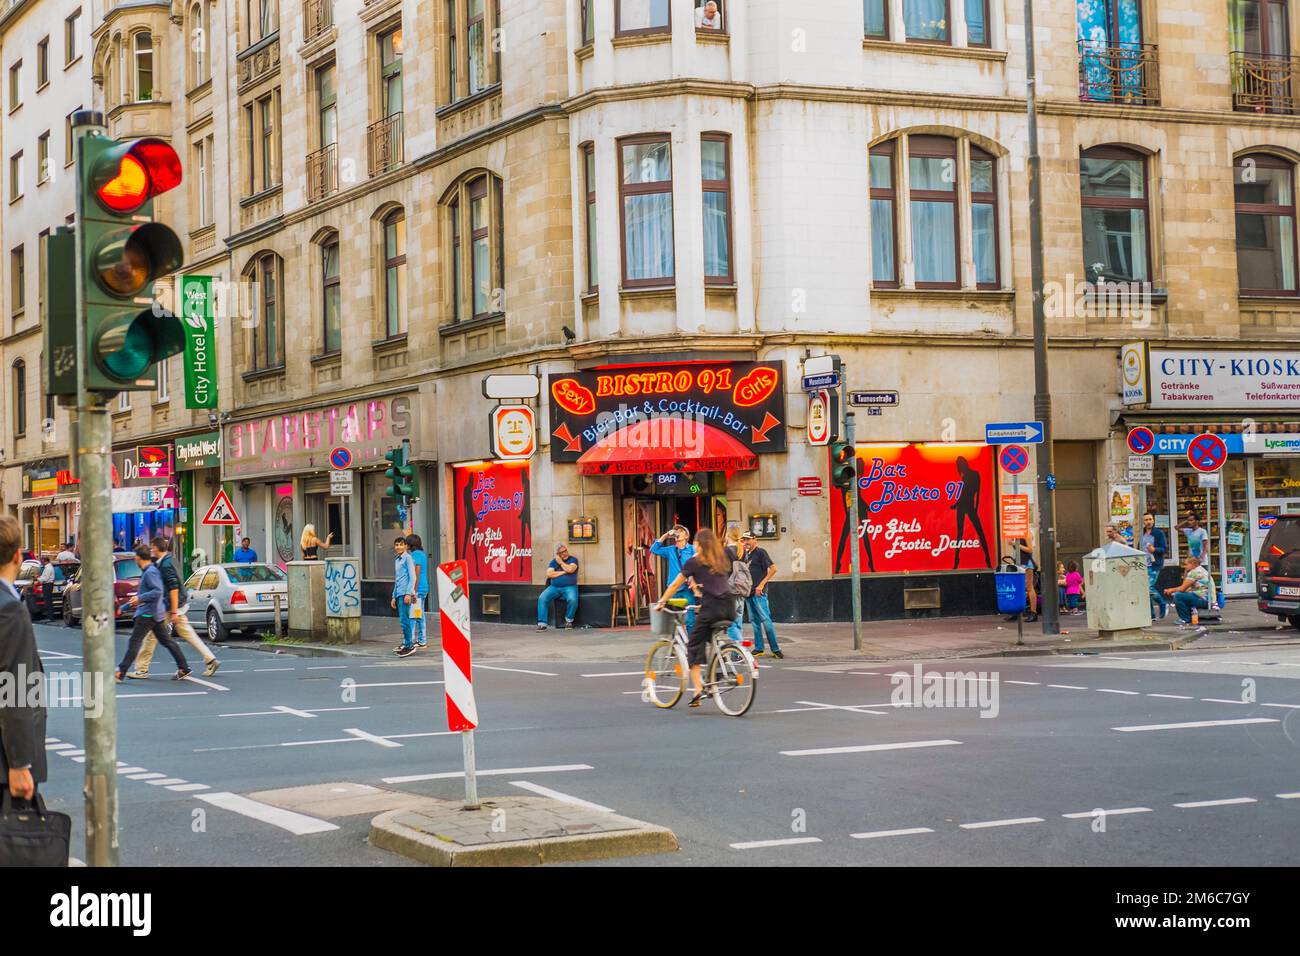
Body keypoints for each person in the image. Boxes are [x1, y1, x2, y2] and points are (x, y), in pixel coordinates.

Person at [655, 528, 734, 707]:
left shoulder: (694, 561)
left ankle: (698, 689)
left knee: (693, 644)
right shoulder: (720, 559)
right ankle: (715, 671)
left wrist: (662, 601)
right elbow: (716, 583)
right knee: (710, 638)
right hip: (729, 606)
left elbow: (675, 584)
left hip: (712, 607)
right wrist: (699, 591)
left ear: (698, 544)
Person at [0, 514, 46, 811]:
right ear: (18, 555)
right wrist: (19, 763)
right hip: (4, 765)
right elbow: (13, 686)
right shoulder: (10, 609)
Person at [129, 537, 220, 679]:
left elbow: (173, 588)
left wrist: (173, 611)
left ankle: (141, 669)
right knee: (187, 633)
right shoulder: (170, 560)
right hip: (176, 603)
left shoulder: (165, 565)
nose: (151, 551)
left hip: (170, 605)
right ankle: (210, 659)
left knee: (150, 636)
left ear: (157, 548)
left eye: (152, 548)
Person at [116, 546, 190, 682]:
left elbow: (157, 591)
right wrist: (125, 606)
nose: (135, 561)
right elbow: (145, 593)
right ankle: (184, 667)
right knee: (167, 641)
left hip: (147, 614)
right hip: (155, 613)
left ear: (138, 558)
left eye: (135, 559)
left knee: (135, 641)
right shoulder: (149, 571)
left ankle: (121, 671)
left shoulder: (150, 572)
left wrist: (140, 598)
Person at [741, 531, 783, 658]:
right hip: (748, 593)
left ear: (755, 539)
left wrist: (761, 585)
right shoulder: (745, 555)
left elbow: (774, 568)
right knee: (754, 621)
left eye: (748, 539)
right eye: (744, 540)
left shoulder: (760, 552)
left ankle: (775, 649)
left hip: (759, 593)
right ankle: (759, 648)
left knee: (766, 620)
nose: (746, 542)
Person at [650, 526, 697, 627]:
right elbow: (653, 549)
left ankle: (691, 642)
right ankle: (676, 641)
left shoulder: (692, 549)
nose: (677, 533)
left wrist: (693, 579)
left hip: (686, 589)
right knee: (674, 621)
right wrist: (666, 535)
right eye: (676, 531)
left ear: (686, 536)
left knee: (690, 619)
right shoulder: (671, 550)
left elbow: (699, 565)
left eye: (680, 531)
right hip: (673, 590)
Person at [951, 456, 992, 569]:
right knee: (978, 532)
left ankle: (957, 561)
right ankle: (987, 558)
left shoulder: (969, 476)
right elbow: (976, 493)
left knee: (961, 533)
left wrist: (956, 504)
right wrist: (976, 507)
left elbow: (965, 494)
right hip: (968, 506)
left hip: (965, 505)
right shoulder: (974, 475)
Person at [538, 544, 580, 631]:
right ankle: (542, 624)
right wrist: (564, 572)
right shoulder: (553, 562)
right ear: (558, 554)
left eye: (565, 551)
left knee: (573, 600)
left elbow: (570, 569)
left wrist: (561, 563)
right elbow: (549, 574)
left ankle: (569, 621)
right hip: (554, 587)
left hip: (570, 587)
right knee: (542, 598)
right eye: (561, 552)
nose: (564, 553)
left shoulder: (573, 559)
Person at [1163, 555, 1213, 627]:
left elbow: (1182, 588)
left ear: (1193, 563)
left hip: (1204, 600)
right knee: (1182, 595)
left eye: (1186, 564)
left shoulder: (1194, 572)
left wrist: (1170, 590)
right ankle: (1190, 617)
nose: (1184, 566)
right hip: (1208, 599)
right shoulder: (1201, 570)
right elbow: (1186, 588)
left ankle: (1186, 619)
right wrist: (1186, 572)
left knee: (1178, 596)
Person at [391, 536, 418, 657]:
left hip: (405, 594)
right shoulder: (397, 559)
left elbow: (412, 577)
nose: (398, 547)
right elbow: (397, 580)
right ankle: (407, 644)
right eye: (396, 545)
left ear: (406, 546)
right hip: (399, 594)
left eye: (401, 544)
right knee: (403, 621)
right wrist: (393, 596)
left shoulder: (408, 558)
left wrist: (408, 593)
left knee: (405, 621)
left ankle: (409, 646)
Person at [1139, 511, 1168, 620]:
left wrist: (1154, 549)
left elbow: (1164, 549)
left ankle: (1162, 603)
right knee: (1145, 590)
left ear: (1153, 520)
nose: (1148, 522)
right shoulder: (1142, 533)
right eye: (1146, 520)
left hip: (1154, 564)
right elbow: (1139, 548)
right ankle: (1151, 615)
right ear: (1143, 522)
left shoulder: (1158, 533)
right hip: (1143, 564)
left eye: (1150, 519)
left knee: (1148, 587)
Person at [406, 534, 430, 648]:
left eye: (407, 543)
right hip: (423, 588)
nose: (406, 545)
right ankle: (421, 640)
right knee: (419, 614)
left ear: (411, 544)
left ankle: (410, 641)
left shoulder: (415, 555)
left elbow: (417, 573)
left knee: (413, 616)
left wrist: (413, 591)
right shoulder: (422, 554)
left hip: (418, 590)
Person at [36, 556, 55, 621]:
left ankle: (50, 617)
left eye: (42, 560)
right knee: (48, 601)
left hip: (47, 585)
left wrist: (37, 578)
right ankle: (50, 616)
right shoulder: (48, 567)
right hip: (48, 585)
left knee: (48, 601)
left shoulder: (48, 568)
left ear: (45, 560)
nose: (41, 561)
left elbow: (45, 578)